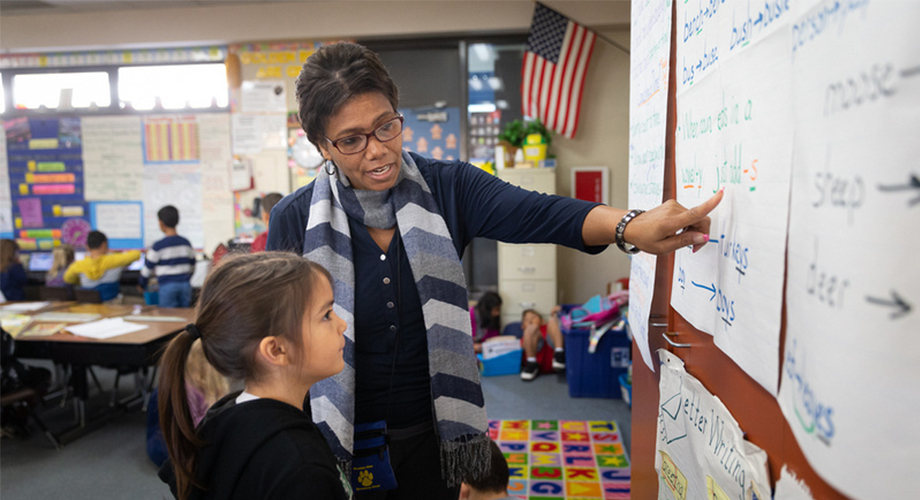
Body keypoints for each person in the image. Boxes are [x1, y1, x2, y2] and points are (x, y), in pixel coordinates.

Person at [267, 42, 721, 498]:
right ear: (321, 145)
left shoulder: (447, 187)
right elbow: (279, 342)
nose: (378, 150)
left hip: (435, 437)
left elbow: (541, 213)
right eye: (351, 140)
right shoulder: (295, 218)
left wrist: (630, 226)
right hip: (336, 439)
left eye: (387, 126)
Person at [157, 252, 352, 500]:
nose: (342, 325)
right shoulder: (301, 469)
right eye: (326, 315)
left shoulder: (227, 416)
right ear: (276, 349)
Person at [147, 339, 229, 467]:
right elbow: (192, 430)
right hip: (169, 448)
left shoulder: (207, 385)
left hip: (189, 440)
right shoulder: (185, 391)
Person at [140, 206, 196, 307]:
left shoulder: (158, 245)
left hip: (167, 286)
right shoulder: (185, 243)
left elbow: (148, 268)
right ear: (177, 221)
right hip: (185, 285)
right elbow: (192, 264)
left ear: (161, 223)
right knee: (185, 314)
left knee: (168, 315)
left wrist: (142, 284)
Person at [64, 231, 140, 302]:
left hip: (87, 304)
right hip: (112, 303)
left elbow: (68, 279)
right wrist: (116, 252)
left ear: (87, 247)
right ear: (104, 244)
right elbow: (136, 254)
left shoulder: (78, 265)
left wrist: (80, 282)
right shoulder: (114, 259)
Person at [519, 307, 565, 382]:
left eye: (534, 317)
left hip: (553, 351)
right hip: (536, 355)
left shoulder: (548, 327)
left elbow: (557, 325)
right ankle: (531, 363)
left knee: (553, 320)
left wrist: (556, 313)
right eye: (526, 320)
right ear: (523, 326)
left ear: (542, 321)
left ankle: (559, 354)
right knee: (531, 329)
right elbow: (521, 346)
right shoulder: (524, 338)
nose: (530, 320)